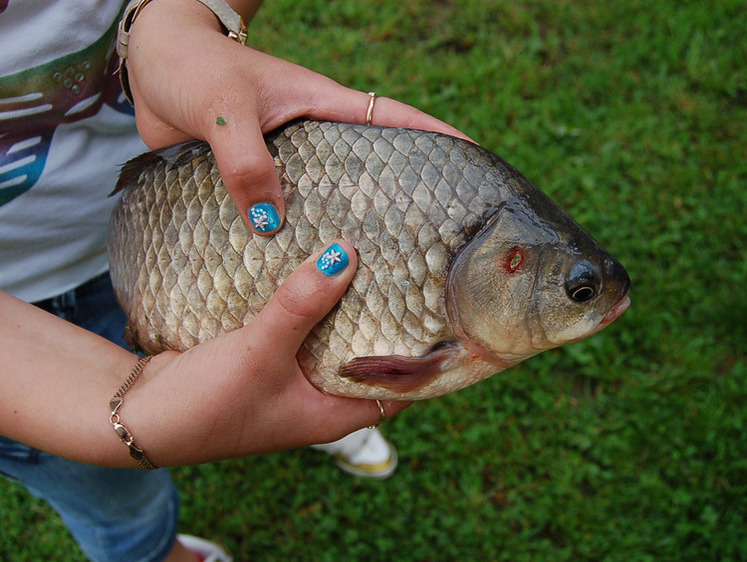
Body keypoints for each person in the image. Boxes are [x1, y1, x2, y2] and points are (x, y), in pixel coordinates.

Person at [0, 0, 470, 560]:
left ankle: (331, 383)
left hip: (184, 187)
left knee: (289, 304)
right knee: (115, 499)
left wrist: (179, 18)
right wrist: (120, 416)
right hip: (17, 315)